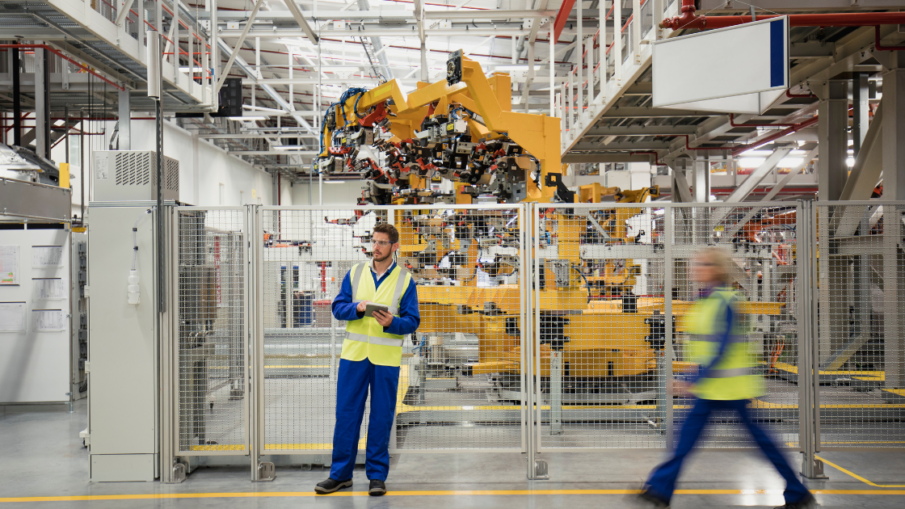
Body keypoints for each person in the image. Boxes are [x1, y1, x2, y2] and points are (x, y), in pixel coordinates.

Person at [639, 247, 816, 509]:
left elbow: (721, 349)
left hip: (731, 388)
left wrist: (692, 380)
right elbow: (705, 347)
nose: (695, 268)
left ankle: (798, 491)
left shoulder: (726, 302)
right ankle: (660, 489)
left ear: (718, 270)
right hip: (712, 387)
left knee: (761, 443)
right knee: (683, 439)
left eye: (703, 264)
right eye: (695, 263)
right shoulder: (705, 300)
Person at [315, 223, 420, 497]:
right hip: (354, 357)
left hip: (386, 359)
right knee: (347, 415)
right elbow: (338, 308)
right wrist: (357, 308)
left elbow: (412, 321)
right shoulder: (355, 272)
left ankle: (376, 476)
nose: (376, 247)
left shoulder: (405, 280)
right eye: (374, 241)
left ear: (394, 247)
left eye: (383, 243)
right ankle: (340, 475)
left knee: (381, 417)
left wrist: (392, 323)